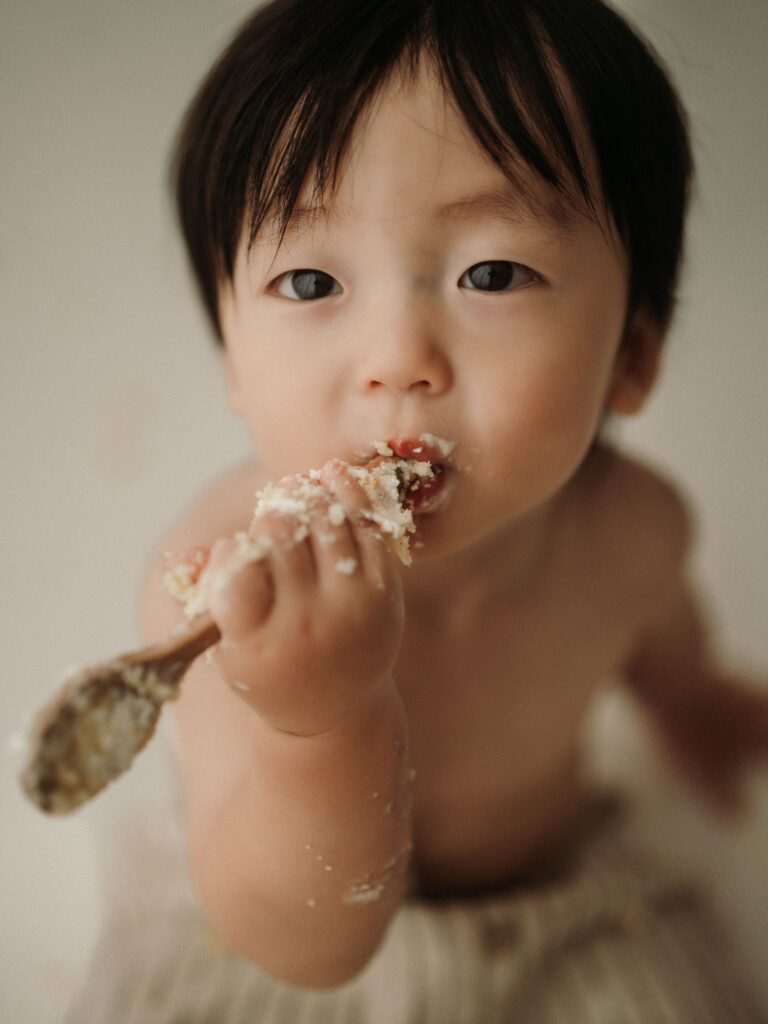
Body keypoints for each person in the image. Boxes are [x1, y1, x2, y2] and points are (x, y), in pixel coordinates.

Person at [66, 0, 768, 1019]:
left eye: (494, 272)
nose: (398, 357)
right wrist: (317, 719)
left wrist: (691, 697)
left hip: (562, 903)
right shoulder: (223, 587)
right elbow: (306, 945)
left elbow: (653, 627)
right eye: (310, 280)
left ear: (633, 356)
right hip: (264, 928)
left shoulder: (634, 527)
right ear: (232, 357)